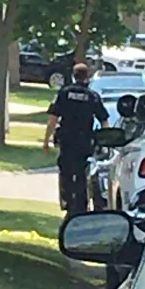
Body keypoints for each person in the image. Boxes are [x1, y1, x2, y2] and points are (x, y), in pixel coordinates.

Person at [43, 63, 110, 217]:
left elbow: (53, 118)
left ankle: (67, 202)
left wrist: (46, 141)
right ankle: (81, 205)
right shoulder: (92, 96)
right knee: (81, 172)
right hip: (84, 142)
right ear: (87, 77)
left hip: (66, 141)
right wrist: (105, 139)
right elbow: (104, 120)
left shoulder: (64, 93)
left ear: (74, 75)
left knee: (65, 171)